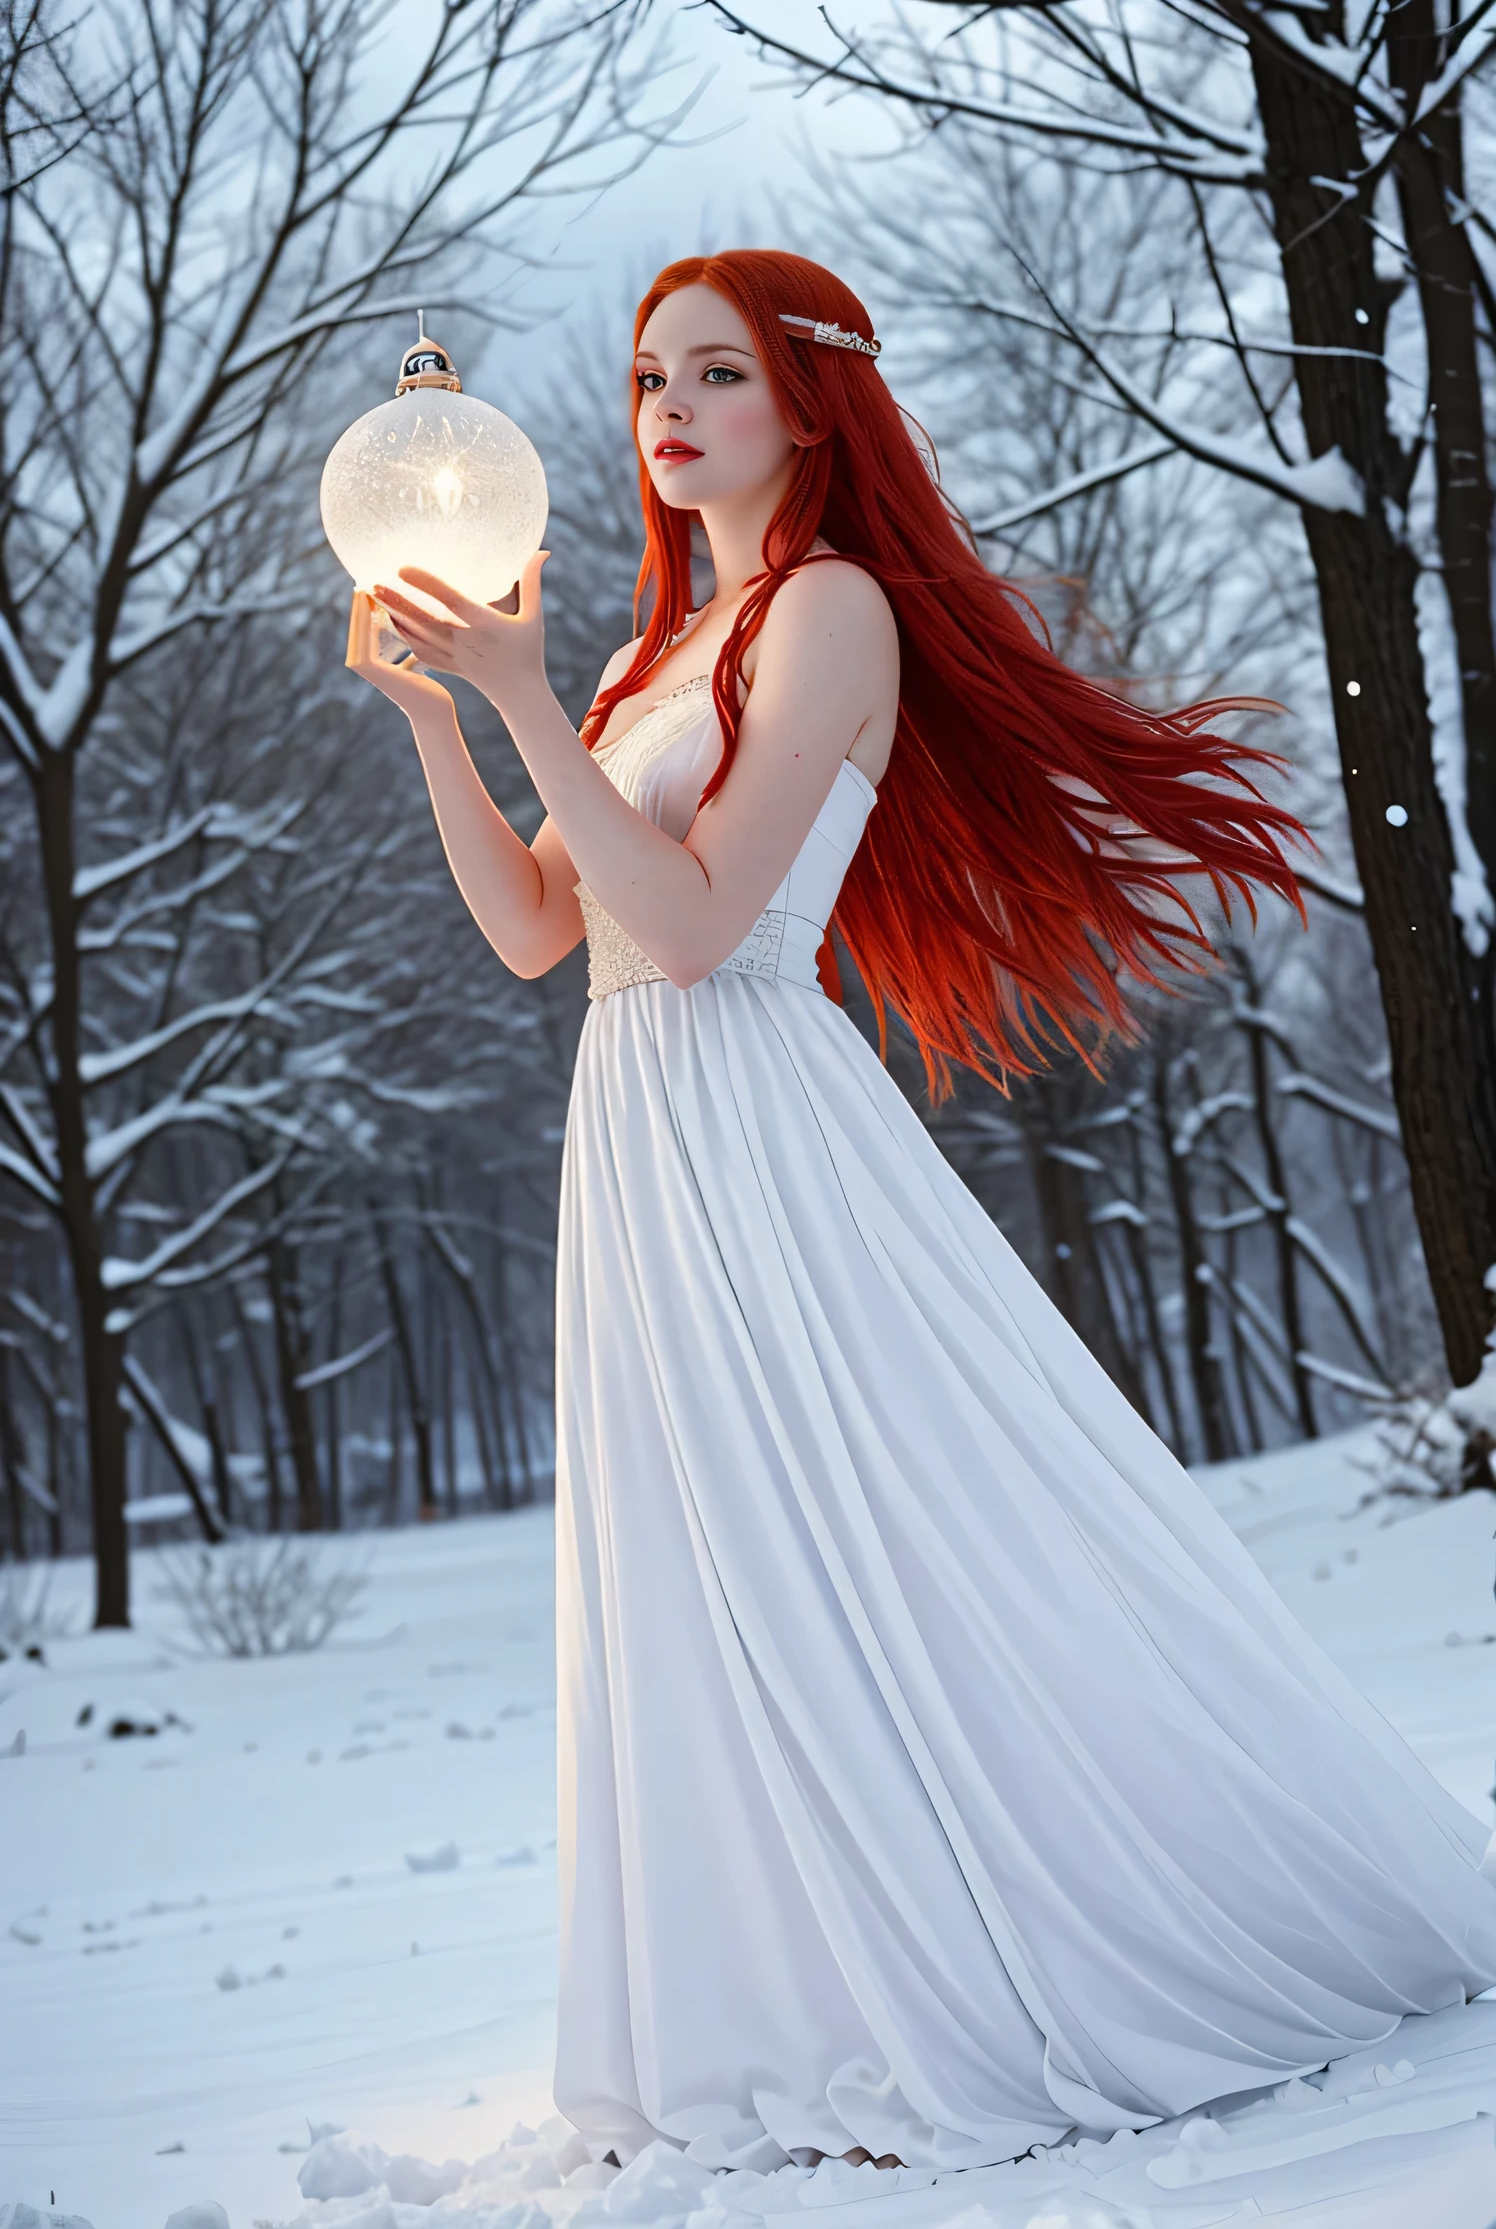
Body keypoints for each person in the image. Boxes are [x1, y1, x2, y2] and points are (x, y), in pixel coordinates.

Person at [351, 249, 1496, 2183]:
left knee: (856, 1539)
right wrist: (438, 723)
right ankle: (790, 1996)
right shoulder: (643, 659)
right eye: (647, 378)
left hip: (763, 1119)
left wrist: (527, 701)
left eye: (713, 373)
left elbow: (707, 924)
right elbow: (547, 931)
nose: (666, 410)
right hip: (630, 1137)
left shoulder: (832, 620)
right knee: (700, 1569)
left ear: (812, 401)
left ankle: (1004, 1947)